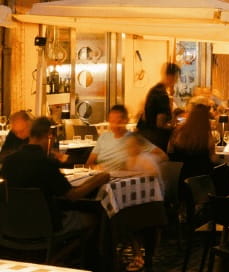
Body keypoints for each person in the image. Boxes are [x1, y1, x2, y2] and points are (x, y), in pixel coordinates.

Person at [1, 116, 110, 266]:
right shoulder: (46, 164)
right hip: (46, 226)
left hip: (12, 225)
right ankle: (68, 261)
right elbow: (73, 195)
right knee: (94, 218)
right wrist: (97, 180)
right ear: (48, 136)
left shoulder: (9, 162)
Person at [88, 105, 166, 171]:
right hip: (99, 177)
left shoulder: (134, 139)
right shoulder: (104, 137)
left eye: (119, 122)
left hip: (120, 181)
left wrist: (141, 160)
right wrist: (95, 167)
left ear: (126, 121)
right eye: (112, 122)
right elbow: (89, 163)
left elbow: (162, 156)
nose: (115, 125)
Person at [167, 103, 215, 184]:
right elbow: (213, 158)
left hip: (181, 176)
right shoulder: (206, 136)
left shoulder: (179, 131)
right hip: (202, 179)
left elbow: (170, 151)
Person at [137, 62, 180, 151]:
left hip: (145, 137)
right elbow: (160, 124)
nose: (177, 80)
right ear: (172, 76)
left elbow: (145, 115)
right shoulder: (162, 95)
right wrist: (174, 126)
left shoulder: (154, 90)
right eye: (177, 77)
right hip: (156, 142)